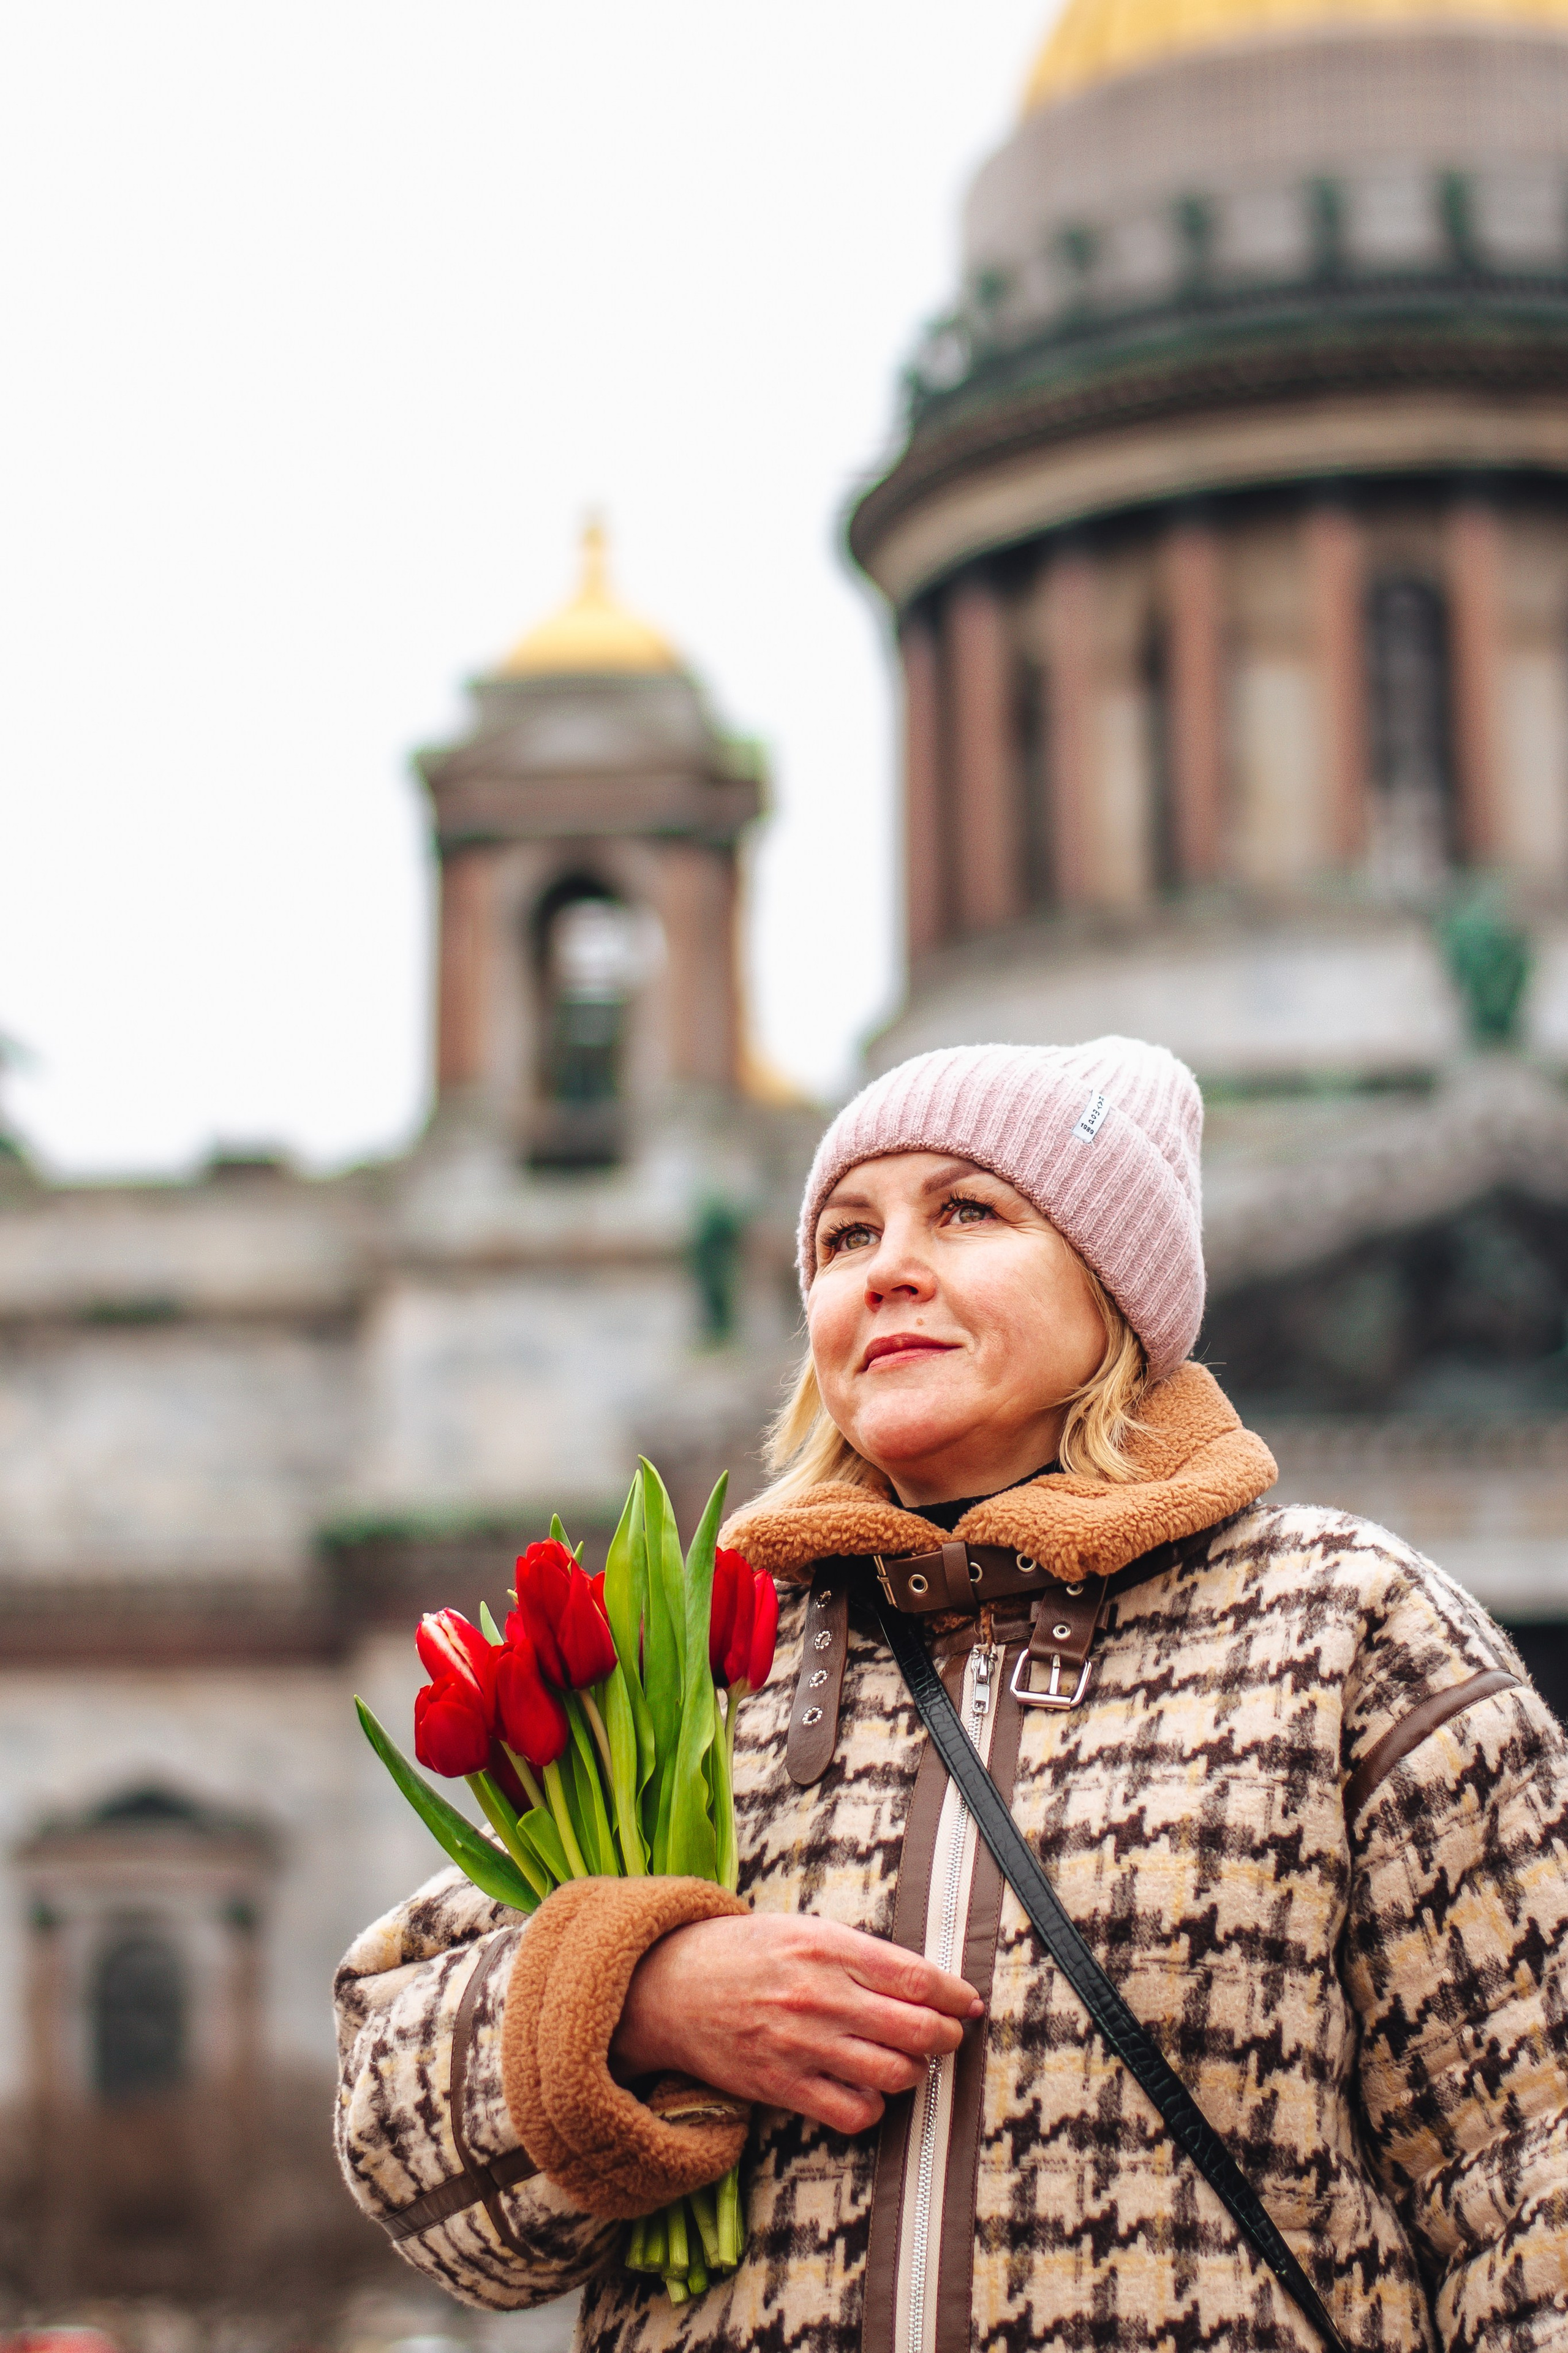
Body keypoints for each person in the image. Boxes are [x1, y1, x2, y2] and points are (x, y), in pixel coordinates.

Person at [334, 1038, 1568, 2353]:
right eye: (846, 1234)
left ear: (1114, 1287)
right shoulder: (697, 1668)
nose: (889, 1268)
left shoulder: (1346, 1628)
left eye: (968, 1210)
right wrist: (639, 2002)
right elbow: (403, 2151)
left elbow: (1529, 2174)